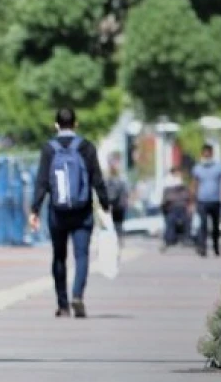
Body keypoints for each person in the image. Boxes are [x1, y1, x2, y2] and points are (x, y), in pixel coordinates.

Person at [29, 108, 110, 319]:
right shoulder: (86, 147)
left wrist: (35, 209)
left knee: (59, 256)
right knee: (82, 255)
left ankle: (63, 305)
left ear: (56, 125)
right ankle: (77, 295)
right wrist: (105, 204)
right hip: (82, 211)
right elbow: (97, 179)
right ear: (76, 124)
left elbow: (42, 182)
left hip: (57, 212)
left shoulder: (49, 149)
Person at [191, 144, 221, 257]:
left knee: (216, 227)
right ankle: (203, 248)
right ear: (202, 154)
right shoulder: (198, 168)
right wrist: (192, 199)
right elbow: (194, 184)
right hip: (202, 201)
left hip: (216, 200)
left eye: (208, 153)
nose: (207, 155)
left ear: (212, 153)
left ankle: (216, 248)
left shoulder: (219, 167)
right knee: (203, 226)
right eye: (205, 153)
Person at [161, 166, 191, 251]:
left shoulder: (178, 180)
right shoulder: (169, 181)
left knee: (182, 222)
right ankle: (170, 239)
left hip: (178, 205)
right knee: (171, 223)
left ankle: (180, 238)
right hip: (173, 205)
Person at [105, 162, 130, 245]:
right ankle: (120, 239)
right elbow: (126, 192)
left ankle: (114, 238)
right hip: (121, 205)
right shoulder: (121, 180)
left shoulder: (107, 181)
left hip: (112, 205)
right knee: (120, 223)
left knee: (113, 222)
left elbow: (105, 193)